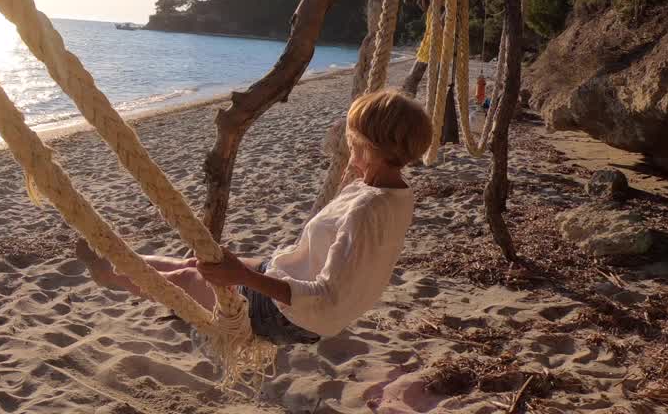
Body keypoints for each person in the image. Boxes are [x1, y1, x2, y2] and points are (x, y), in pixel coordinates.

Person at [76, 89, 433, 343]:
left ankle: (111, 276)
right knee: (197, 261)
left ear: (368, 145)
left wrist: (242, 275)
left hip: (293, 315)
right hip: (293, 275)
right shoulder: (391, 192)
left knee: (187, 279)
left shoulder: (367, 209)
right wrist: (356, 175)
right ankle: (113, 261)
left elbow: (328, 296)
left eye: (351, 135)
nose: (345, 138)